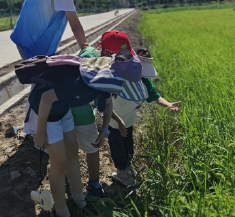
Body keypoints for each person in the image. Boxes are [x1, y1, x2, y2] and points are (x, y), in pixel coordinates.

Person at [21, 51, 147, 217]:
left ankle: (78, 198)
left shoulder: (106, 81)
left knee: (72, 152)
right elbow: (46, 98)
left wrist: (104, 130)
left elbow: (108, 104)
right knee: (59, 161)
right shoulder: (79, 82)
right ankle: (61, 209)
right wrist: (41, 131)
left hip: (64, 110)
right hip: (45, 112)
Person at [72, 30, 182, 190]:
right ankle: (122, 172)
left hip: (129, 122)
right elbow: (104, 106)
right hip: (114, 124)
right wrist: (118, 121)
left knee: (128, 146)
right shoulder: (108, 78)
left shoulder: (140, 78)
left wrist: (169, 105)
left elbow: (155, 96)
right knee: (117, 148)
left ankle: (126, 166)